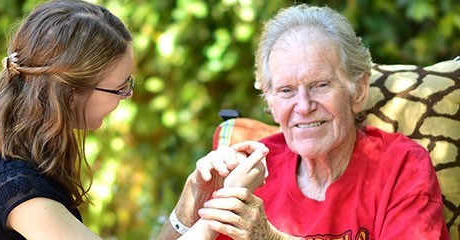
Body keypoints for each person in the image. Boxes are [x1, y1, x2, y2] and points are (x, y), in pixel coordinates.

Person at [0, 1, 269, 239]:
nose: (127, 96)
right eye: (120, 87)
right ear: (72, 92)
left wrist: (192, 201)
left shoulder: (16, 169)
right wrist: (225, 208)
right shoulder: (15, 189)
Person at [159, 4, 450, 240]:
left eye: (320, 85)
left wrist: (269, 238)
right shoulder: (252, 168)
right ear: (271, 103)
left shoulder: (401, 166)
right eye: (286, 91)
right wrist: (192, 199)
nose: (303, 106)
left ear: (358, 90)